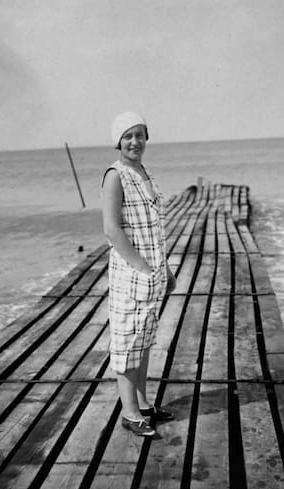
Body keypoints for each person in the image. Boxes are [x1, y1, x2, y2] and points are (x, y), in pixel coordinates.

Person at [102, 111, 176, 438]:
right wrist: (142, 267)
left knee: (144, 341)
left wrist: (166, 269)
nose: (134, 142)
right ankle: (130, 414)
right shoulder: (115, 176)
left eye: (140, 135)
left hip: (153, 273)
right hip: (131, 275)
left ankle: (144, 405)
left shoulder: (145, 172)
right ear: (118, 141)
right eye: (128, 136)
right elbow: (112, 230)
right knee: (127, 344)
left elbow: (155, 230)